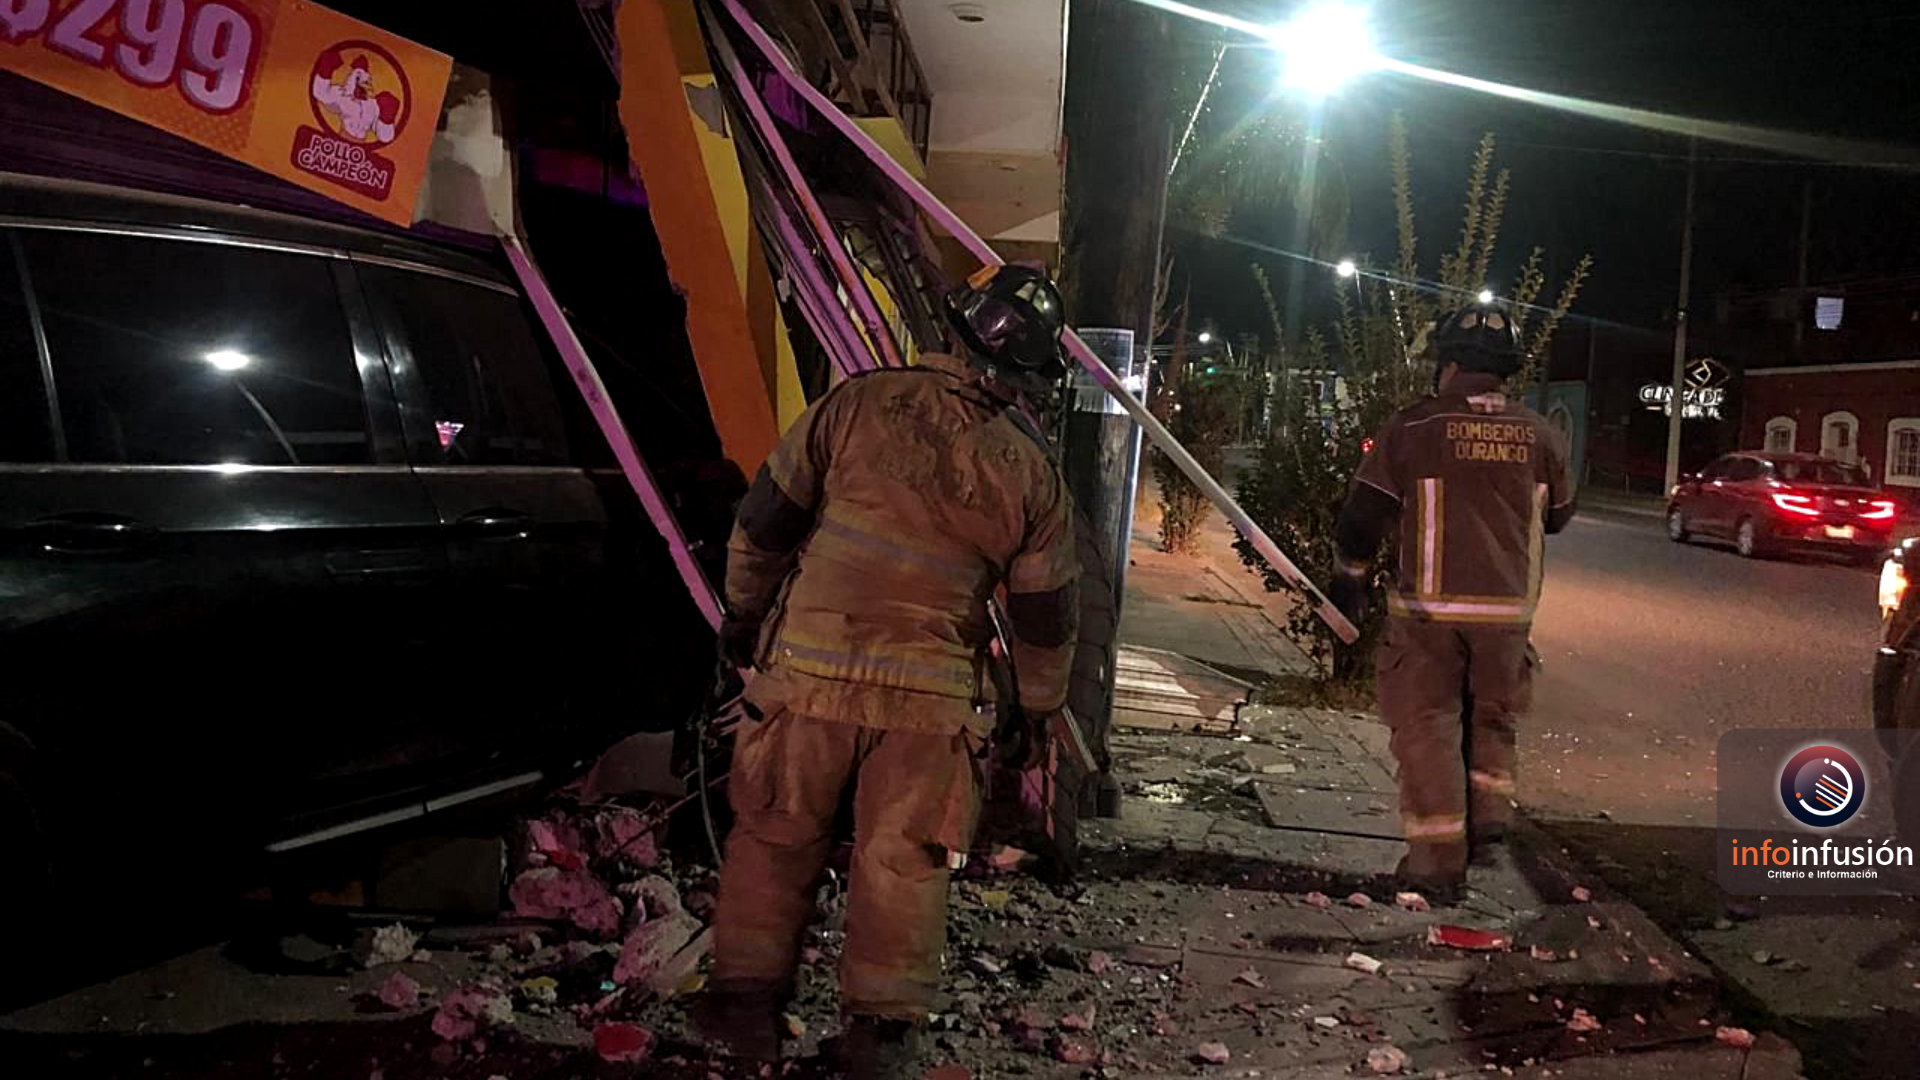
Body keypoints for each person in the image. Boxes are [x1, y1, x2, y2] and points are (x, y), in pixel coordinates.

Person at [696, 264, 1081, 1077]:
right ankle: (878, 1038)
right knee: (903, 861)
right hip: (932, 704)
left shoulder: (856, 404)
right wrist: (1037, 711)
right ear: (1025, 374)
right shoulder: (1030, 473)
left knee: (771, 837)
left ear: (954, 330)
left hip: (804, 678)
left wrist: (742, 614)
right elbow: (1048, 618)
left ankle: (742, 1017)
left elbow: (766, 521)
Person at [1327, 299, 1575, 901]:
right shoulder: (1541, 434)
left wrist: (1349, 579)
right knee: (1492, 717)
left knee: (1428, 727)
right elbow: (1561, 517)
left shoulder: (1415, 428)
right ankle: (1489, 823)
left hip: (1429, 616)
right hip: (1509, 615)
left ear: (1450, 363)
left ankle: (1437, 867)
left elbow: (1364, 516)